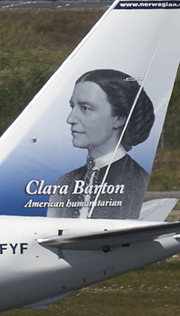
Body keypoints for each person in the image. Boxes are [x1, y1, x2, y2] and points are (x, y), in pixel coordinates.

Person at [47, 69, 155, 219]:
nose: (70, 119)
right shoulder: (66, 181)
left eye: (85, 108)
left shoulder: (138, 182)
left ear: (118, 117)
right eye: (73, 106)